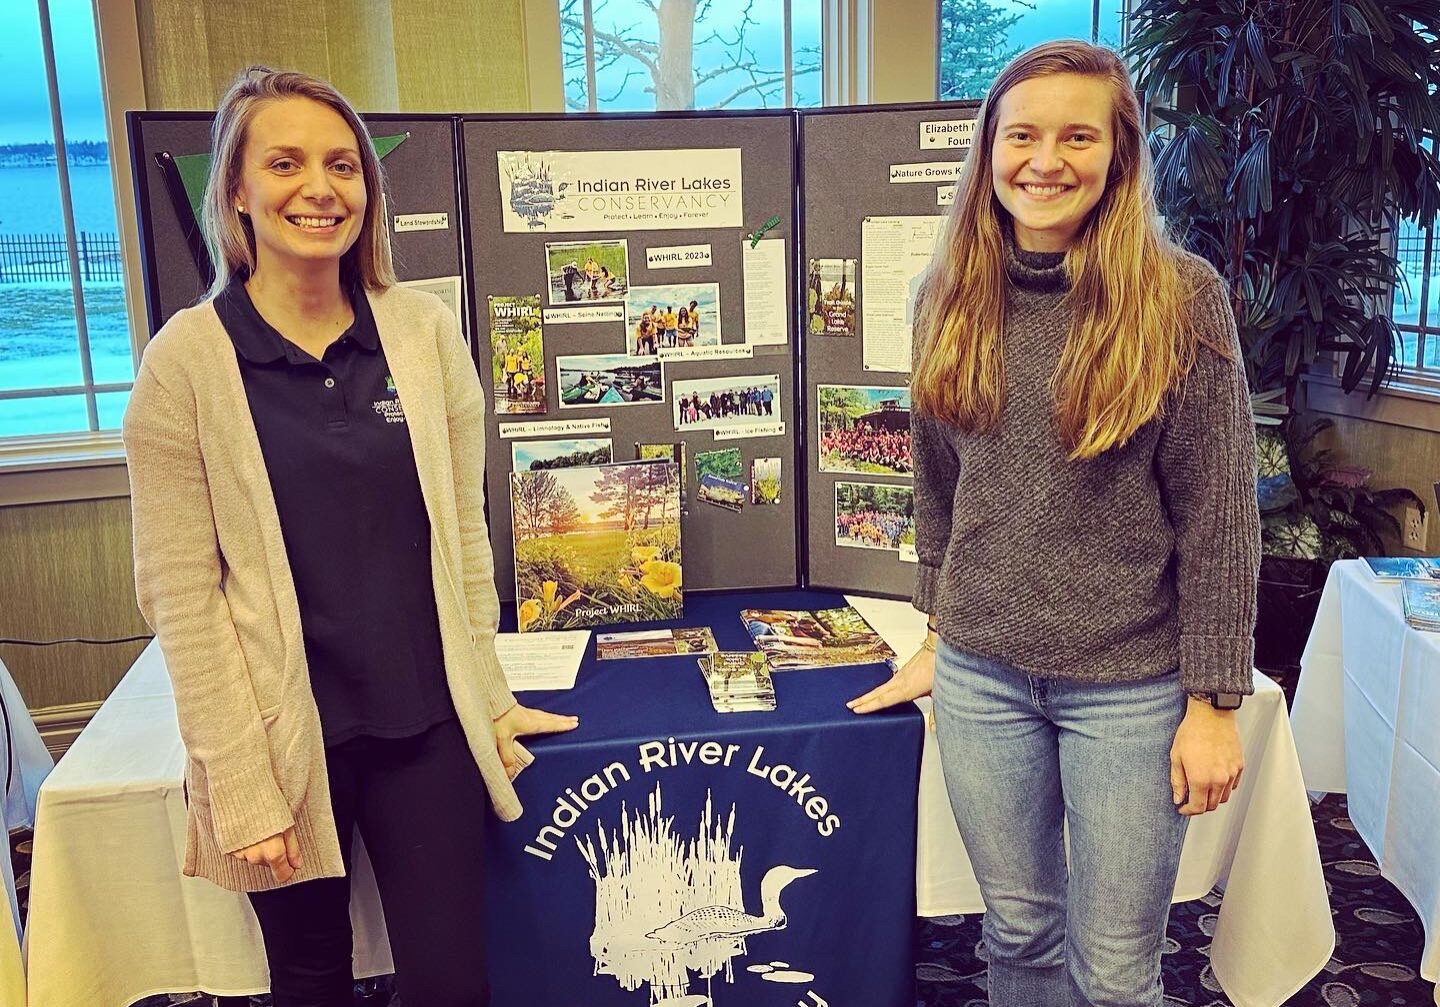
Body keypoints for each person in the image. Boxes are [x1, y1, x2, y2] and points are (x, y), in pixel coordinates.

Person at [123, 67, 577, 1007]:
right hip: (286, 737)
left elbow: (458, 530)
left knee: (454, 984)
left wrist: (487, 692)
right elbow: (181, 596)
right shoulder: (186, 367)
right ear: (237, 192)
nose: (319, 188)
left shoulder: (420, 333)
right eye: (284, 163)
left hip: (424, 728)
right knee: (312, 981)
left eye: (343, 165)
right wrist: (240, 782)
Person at [848, 41, 1258, 1007]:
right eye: (1022, 134)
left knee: (1116, 972)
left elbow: (1219, 515)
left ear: (1120, 154)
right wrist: (941, 633)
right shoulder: (944, 295)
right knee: (1018, 935)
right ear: (988, 151)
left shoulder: (1180, 297)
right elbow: (940, 486)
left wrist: (1213, 702)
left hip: (1130, 687)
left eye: (1080, 135)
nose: (1046, 160)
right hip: (984, 680)